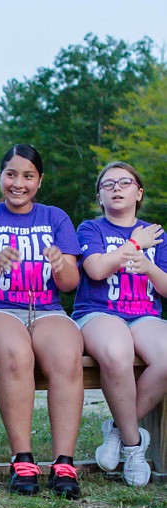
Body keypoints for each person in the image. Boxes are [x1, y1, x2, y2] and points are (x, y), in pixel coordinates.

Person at [0, 144, 83, 499]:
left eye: (28, 176)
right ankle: (23, 459)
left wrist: (61, 265)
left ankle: (64, 462)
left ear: (39, 181)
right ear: (0, 176)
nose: (19, 183)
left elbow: (70, 284)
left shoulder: (55, 218)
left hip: (46, 309)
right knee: (16, 352)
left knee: (65, 354)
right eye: (11, 174)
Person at [72, 161, 167, 487]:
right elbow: (96, 270)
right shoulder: (91, 228)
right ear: (100, 195)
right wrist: (134, 245)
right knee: (117, 351)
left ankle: (115, 429)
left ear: (138, 192)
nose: (116, 188)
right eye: (108, 184)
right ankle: (133, 446)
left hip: (145, 314)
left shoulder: (157, 233)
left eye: (124, 182)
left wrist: (148, 268)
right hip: (98, 312)